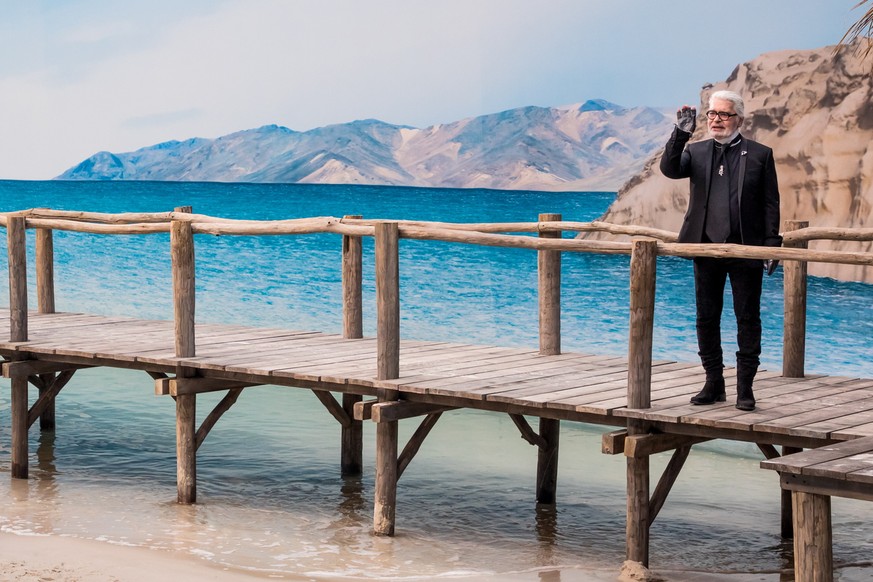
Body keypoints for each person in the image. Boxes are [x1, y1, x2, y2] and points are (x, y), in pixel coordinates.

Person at [660, 90, 781, 411]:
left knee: (748, 318)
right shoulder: (696, 152)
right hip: (705, 248)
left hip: (746, 249)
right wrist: (681, 133)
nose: (716, 119)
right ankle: (713, 383)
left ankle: (745, 389)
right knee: (706, 318)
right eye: (712, 114)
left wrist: (771, 245)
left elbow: (771, 203)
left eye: (723, 115)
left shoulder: (760, 154)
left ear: (738, 119)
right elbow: (670, 169)